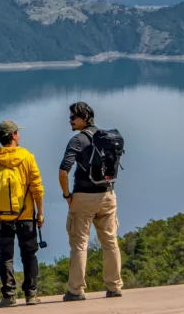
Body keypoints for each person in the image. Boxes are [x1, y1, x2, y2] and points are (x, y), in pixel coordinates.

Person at [58, 102, 123, 301]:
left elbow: (63, 171)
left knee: (79, 244)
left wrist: (67, 195)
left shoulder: (77, 140)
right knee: (110, 242)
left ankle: (76, 290)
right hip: (108, 195)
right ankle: (114, 287)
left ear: (84, 117)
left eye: (73, 117)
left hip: (83, 198)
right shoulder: (107, 138)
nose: (70, 121)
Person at [0, 120, 45, 307]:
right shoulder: (26, 157)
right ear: (14, 136)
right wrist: (40, 213)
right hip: (25, 216)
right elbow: (37, 188)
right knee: (29, 255)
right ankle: (31, 295)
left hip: (1, 218)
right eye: (18, 132)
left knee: (6, 256)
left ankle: (9, 296)